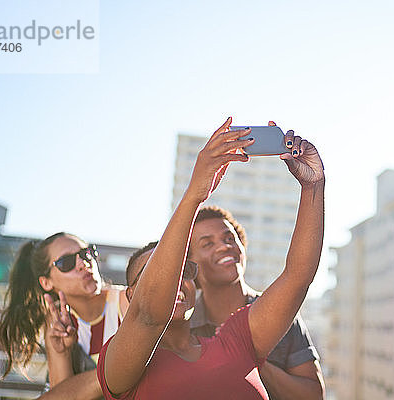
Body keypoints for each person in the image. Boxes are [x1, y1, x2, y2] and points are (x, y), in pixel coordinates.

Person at [95, 116, 324, 399]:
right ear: (131, 295)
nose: (176, 281)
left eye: (184, 271)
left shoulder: (236, 340)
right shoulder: (121, 365)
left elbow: (297, 278)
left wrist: (312, 187)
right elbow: (149, 315)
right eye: (158, 274)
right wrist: (194, 195)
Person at [189, 205, 325, 400]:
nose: (223, 246)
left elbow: (313, 396)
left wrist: (253, 360)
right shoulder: (181, 326)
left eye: (229, 239)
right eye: (207, 244)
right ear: (190, 263)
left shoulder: (283, 314)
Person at [0, 232, 128, 387]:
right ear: (46, 283)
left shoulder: (126, 301)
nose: (83, 264)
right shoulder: (57, 324)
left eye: (86, 253)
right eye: (66, 262)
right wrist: (63, 353)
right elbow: (62, 394)